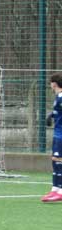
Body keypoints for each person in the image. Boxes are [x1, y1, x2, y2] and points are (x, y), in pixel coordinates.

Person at [42, 73, 62, 203]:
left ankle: (61, 191)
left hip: (61, 134)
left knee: (59, 159)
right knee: (55, 159)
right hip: (58, 133)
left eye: (50, 83)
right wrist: (51, 116)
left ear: (54, 84)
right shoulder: (58, 97)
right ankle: (55, 189)